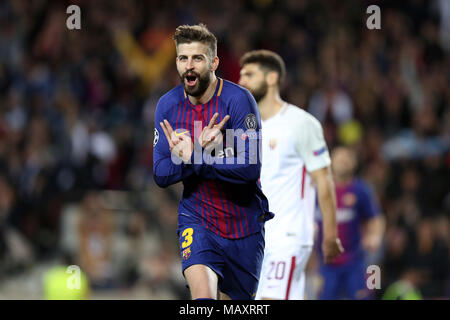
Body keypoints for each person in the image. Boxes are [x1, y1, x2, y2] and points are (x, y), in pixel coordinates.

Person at [153, 24, 273, 300]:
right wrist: (199, 152)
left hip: (244, 227)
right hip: (197, 220)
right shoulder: (167, 106)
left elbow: (250, 167)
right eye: (183, 58)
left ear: (214, 62)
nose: (189, 66)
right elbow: (160, 173)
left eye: (197, 58)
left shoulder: (239, 101)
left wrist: (195, 156)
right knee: (204, 298)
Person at [238, 50, 344, 300]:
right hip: (252, 239)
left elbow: (323, 180)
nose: (241, 81)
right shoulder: (243, 128)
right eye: (241, 75)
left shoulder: (301, 123)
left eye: (249, 75)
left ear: (272, 78)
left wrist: (330, 233)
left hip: (288, 234)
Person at [315, 146, 385, 300]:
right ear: (330, 161)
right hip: (326, 263)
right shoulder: (318, 190)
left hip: (355, 262)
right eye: (339, 159)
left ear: (354, 163)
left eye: (346, 159)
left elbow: (376, 218)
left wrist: (375, 236)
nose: (343, 162)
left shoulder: (361, 190)